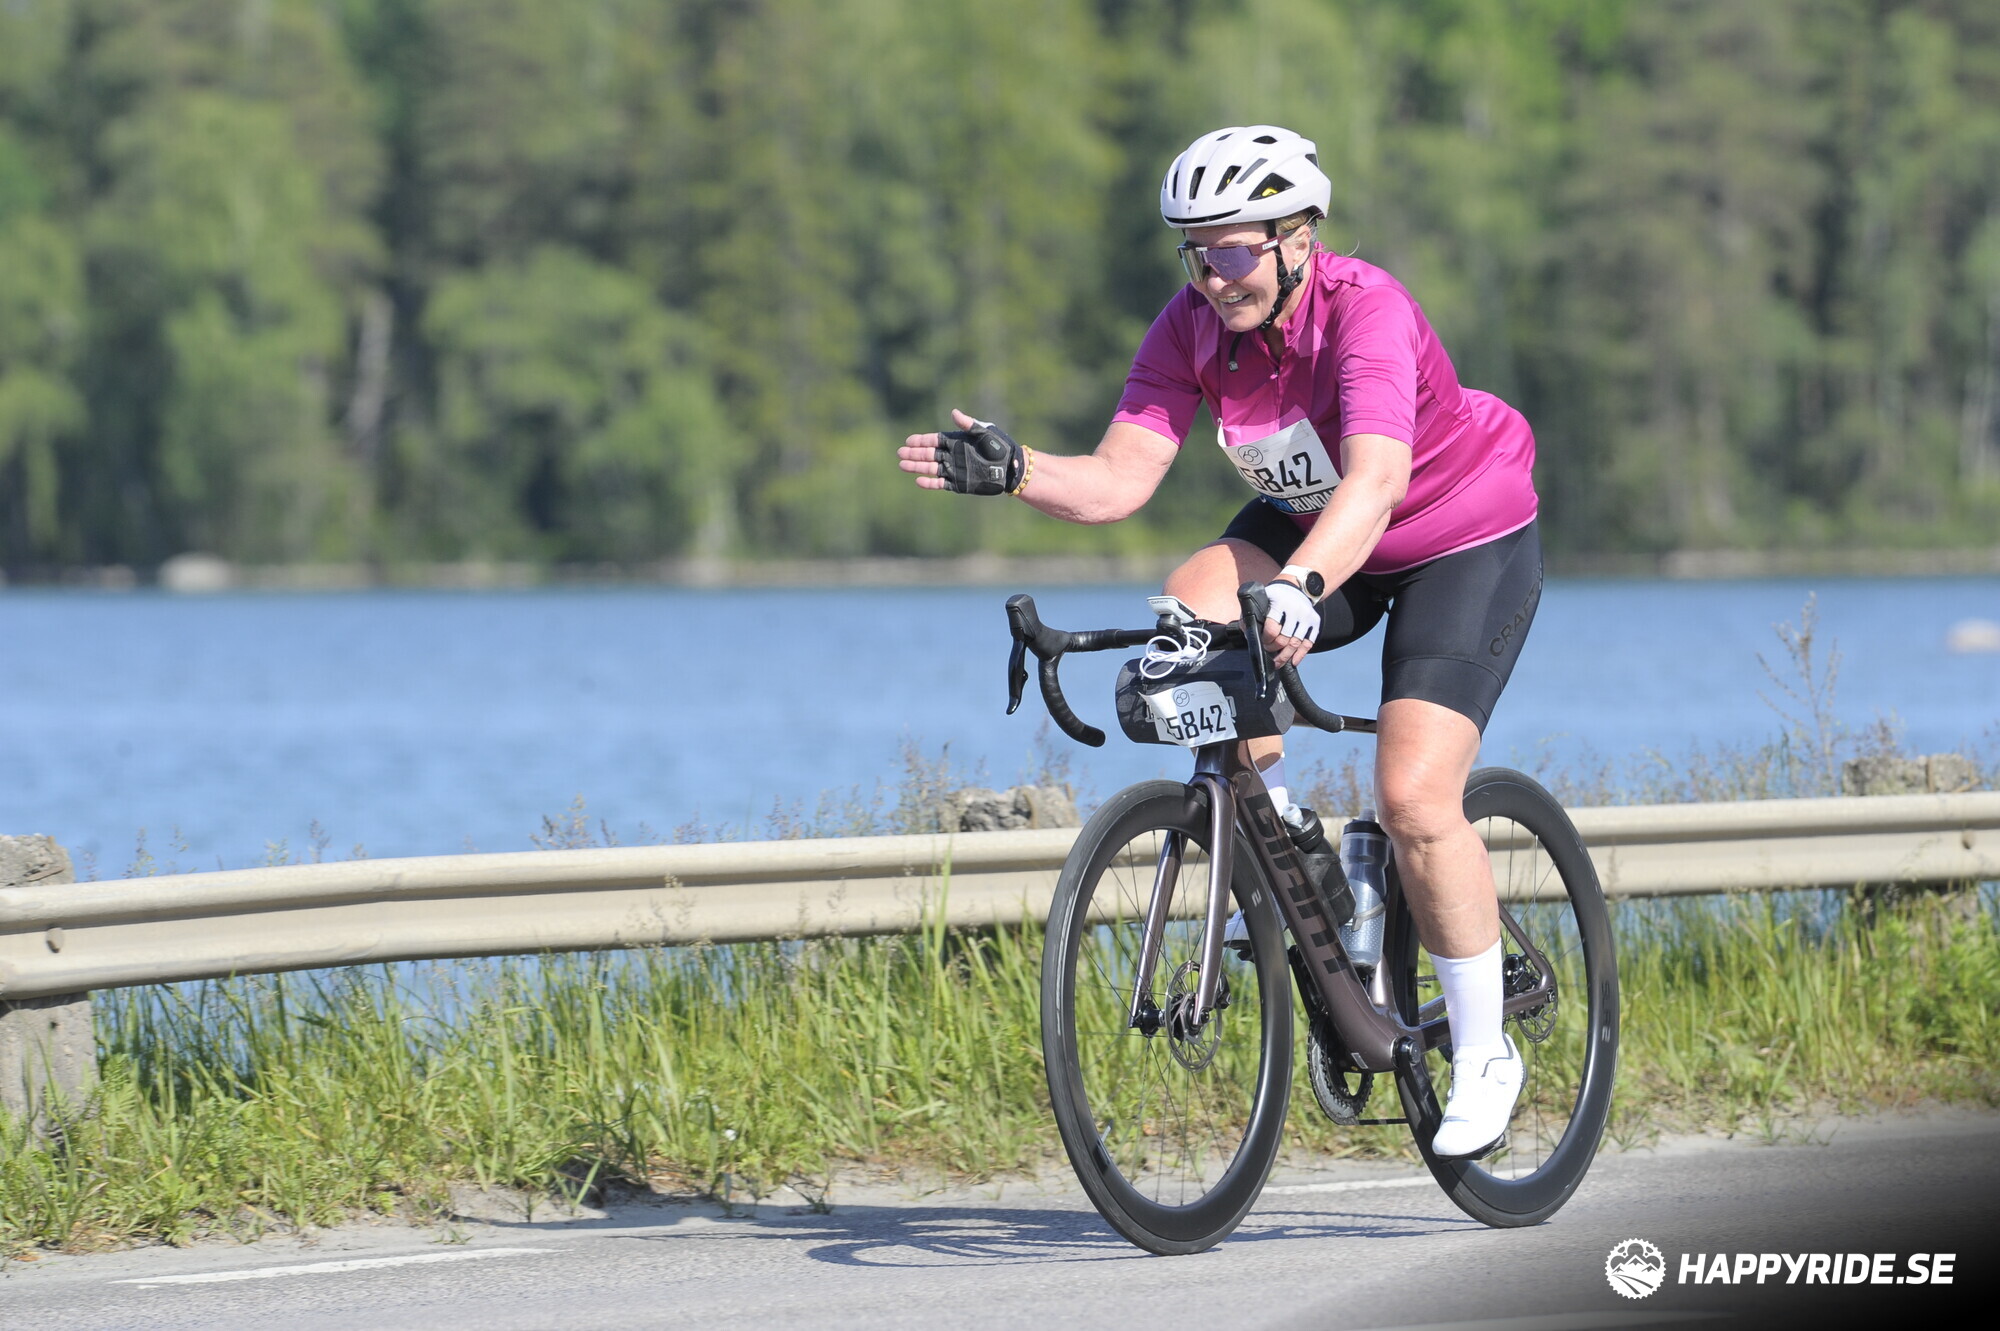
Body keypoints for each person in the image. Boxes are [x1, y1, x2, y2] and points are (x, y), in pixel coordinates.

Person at [896, 125, 1542, 1160]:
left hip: (1458, 538)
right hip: (1317, 530)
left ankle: (1483, 1049)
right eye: (1194, 252)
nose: (1212, 274)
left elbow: (1376, 480)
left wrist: (1299, 586)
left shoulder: (1366, 310)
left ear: (1298, 237)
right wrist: (1019, 471)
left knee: (1416, 796)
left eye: (1233, 249)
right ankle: (1297, 847)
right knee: (1189, 605)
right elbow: (1119, 478)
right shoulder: (1192, 324)